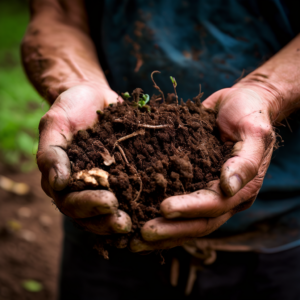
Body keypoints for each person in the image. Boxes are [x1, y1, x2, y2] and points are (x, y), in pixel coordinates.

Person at [22, 0, 300, 299]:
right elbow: (58, 13)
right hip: (105, 230)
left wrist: (267, 91)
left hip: (278, 234)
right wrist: (76, 83)